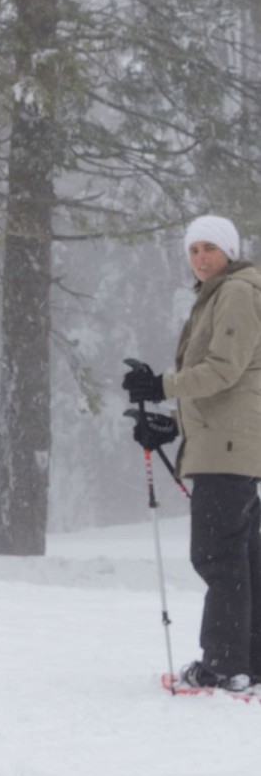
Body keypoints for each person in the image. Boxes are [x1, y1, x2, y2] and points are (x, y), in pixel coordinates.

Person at [124, 214, 261, 691]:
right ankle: (248, 662)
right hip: (229, 444)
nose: (201, 258)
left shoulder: (237, 292)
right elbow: (232, 387)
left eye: (210, 248)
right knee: (243, 557)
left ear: (229, 250)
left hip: (229, 450)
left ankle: (224, 666)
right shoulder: (221, 294)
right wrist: (170, 425)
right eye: (193, 250)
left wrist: (161, 386)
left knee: (218, 556)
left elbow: (224, 370)